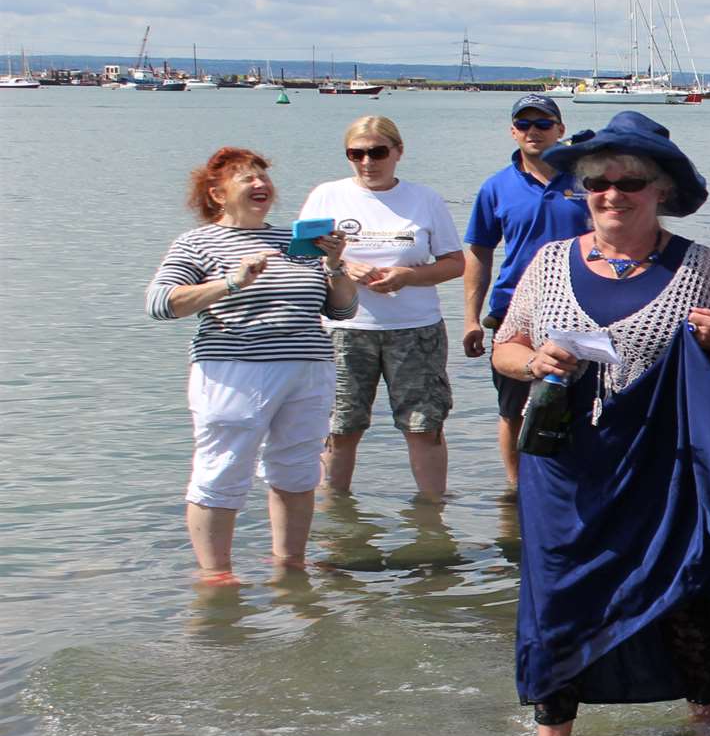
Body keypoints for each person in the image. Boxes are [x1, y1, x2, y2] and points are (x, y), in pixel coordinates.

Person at [492, 111, 710, 736]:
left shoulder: (699, 266)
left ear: (661, 192)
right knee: (558, 595)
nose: (612, 195)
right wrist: (534, 361)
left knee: (686, 593)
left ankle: (705, 725)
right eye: (598, 183)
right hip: (567, 470)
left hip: (666, 472)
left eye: (628, 183)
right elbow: (504, 348)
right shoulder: (547, 263)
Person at [146, 147, 357, 575]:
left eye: (263, 176)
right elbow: (160, 304)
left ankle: (290, 563)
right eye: (247, 178)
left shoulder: (297, 242)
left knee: (299, 471)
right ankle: (216, 573)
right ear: (217, 194)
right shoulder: (197, 242)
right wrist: (231, 281)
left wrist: (335, 265)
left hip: (308, 369)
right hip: (234, 371)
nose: (260, 184)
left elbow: (342, 312)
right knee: (221, 470)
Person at [297, 116, 465, 500]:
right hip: (346, 329)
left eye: (377, 152)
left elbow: (455, 263)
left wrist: (407, 275)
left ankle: (432, 517)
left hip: (416, 329)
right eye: (356, 154)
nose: (367, 162)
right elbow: (300, 259)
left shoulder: (425, 199)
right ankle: (335, 521)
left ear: (398, 152)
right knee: (341, 427)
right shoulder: (327, 195)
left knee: (424, 425)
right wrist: (343, 266)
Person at [461, 93, 591, 489]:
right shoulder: (495, 187)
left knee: (584, 406)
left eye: (543, 124)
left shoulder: (587, 180)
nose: (533, 132)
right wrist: (471, 318)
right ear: (512, 131)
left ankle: (578, 483)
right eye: (524, 124)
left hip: (580, 310)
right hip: (513, 312)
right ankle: (517, 492)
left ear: (560, 130)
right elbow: (479, 252)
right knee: (514, 409)